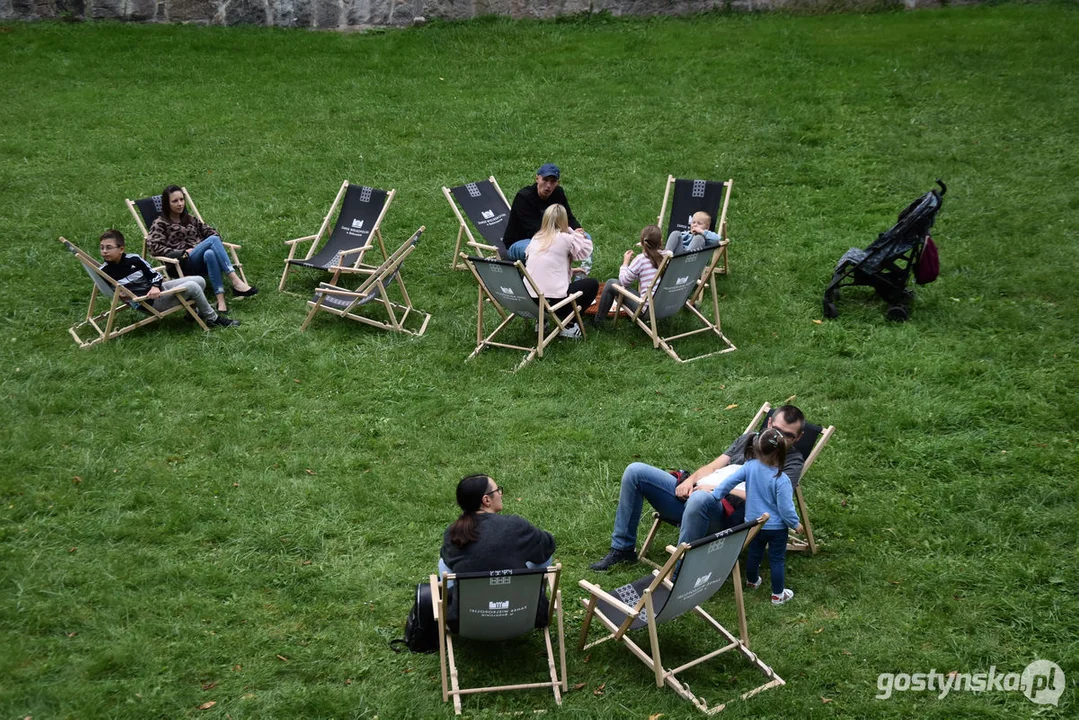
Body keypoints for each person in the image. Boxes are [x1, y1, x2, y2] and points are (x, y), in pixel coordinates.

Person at [589, 405, 807, 571]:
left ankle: (681, 573)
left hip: (726, 519)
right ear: (769, 424)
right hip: (698, 496)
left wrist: (717, 489)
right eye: (776, 430)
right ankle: (623, 549)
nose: (779, 438)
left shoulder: (792, 461)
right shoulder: (750, 440)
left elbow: (772, 500)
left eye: (787, 435)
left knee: (700, 499)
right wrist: (691, 480)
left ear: (798, 438)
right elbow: (714, 466)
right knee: (635, 471)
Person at [439, 474, 557, 630]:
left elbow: (448, 559)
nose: (500, 494)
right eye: (498, 490)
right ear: (486, 500)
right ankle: (533, 595)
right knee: (541, 553)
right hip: (523, 614)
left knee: (444, 564)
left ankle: (458, 604)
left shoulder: (453, 532)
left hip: (466, 621)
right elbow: (548, 546)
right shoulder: (515, 526)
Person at [708, 428, 802, 605]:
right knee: (776, 560)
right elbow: (785, 508)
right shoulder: (781, 479)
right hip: (776, 528)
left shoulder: (750, 467)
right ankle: (777, 595)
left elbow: (729, 482)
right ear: (781, 454)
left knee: (754, 553)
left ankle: (752, 581)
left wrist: (716, 495)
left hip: (753, 524)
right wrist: (795, 524)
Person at [145, 185, 257, 314]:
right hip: (182, 263)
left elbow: (213, 233)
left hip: (201, 260)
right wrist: (183, 252)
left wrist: (200, 247)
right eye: (175, 201)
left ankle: (221, 302)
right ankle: (236, 281)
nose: (180, 204)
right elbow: (153, 247)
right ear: (166, 203)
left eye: (182, 199)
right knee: (213, 241)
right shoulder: (160, 223)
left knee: (210, 252)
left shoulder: (189, 219)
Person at [97, 229, 239, 328]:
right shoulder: (104, 272)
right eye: (102, 248)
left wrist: (155, 286)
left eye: (108, 247)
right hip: (149, 303)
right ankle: (212, 318)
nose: (104, 251)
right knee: (193, 287)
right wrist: (125, 296)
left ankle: (192, 314)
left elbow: (155, 275)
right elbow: (113, 292)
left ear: (121, 249)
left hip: (158, 291)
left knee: (199, 280)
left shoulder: (133, 259)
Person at [525, 205, 599, 339]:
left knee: (540, 280)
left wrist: (571, 270)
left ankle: (541, 321)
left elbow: (547, 266)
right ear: (564, 221)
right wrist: (574, 232)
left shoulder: (535, 239)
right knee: (592, 284)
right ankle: (570, 324)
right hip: (554, 303)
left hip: (531, 302)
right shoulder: (566, 238)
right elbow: (584, 251)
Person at [503, 164, 588, 269]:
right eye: (545, 180)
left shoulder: (558, 193)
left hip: (551, 236)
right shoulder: (524, 197)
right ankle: (544, 279)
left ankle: (582, 273)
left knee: (586, 238)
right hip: (520, 242)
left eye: (553, 181)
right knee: (548, 249)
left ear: (557, 183)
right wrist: (564, 237)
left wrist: (577, 230)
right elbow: (534, 231)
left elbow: (568, 217)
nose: (548, 185)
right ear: (537, 178)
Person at [592, 224, 665, 326]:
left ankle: (598, 321)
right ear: (660, 242)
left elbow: (623, 281)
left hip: (646, 311)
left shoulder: (640, 259)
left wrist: (625, 263)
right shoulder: (666, 257)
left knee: (611, 283)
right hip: (663, 307)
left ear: (643, 242)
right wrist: (647, 247)